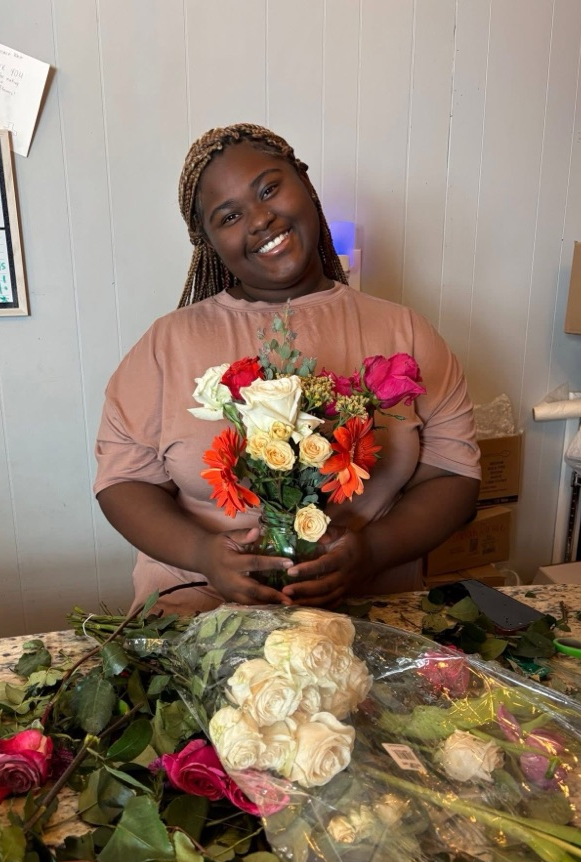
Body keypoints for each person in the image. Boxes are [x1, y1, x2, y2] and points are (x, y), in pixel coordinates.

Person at [94, 123, 481, 615]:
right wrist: (203, 556)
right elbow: (123, 483)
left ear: (305, 183)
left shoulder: (406, 333)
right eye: (229, 215)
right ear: (209, 241)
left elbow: (454, 475)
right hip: (199, 613)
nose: (259, 219)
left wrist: (371, 552)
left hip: (372, 612)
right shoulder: (165, 346)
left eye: (270, 188)